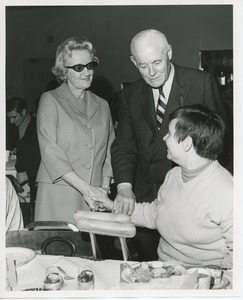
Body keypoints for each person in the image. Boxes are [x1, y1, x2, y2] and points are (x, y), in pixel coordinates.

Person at [111, 29, 229, 260]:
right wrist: (124, 187)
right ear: (133, 62)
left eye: (157, 62)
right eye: (143, 65)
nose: (152, 72)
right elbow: (124, 146)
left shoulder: (201, 83)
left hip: (191, 195)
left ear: (170, 53)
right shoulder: (130, 95)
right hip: (145, 196)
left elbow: (219, 142)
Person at [102, 105, 233, 268]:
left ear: (187, 143)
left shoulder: (227, 192)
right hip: (164, 269)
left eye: (169, 133)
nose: (164, 138)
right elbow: (154, 214)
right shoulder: (174, 175)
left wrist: (209, 277)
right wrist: (111, 205)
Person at [35, 36, 115, 223]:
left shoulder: (102, 104)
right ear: (64, 71)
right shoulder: (50, 100)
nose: (86, 73)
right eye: (78, 68)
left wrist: (103, 187)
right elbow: (50, 151)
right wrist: (86, 189)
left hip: (95, 196)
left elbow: (110, 150)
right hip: (60, 192)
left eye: (90, 65)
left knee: (91, 250)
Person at [6, 97, 41, 212]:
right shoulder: (10, 128)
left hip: (34, 175)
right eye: (9, 118)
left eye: (14, 117)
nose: (11, 121)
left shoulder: (38, 126)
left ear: (24, 112)